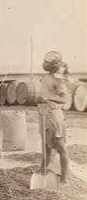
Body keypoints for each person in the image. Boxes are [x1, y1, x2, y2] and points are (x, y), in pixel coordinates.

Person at [37, 51, 71, 186]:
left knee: (60, 146)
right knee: (46, 145)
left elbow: (64, 99)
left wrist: (47, 98)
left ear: (53, 65)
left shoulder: (58, 79)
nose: (44, 64)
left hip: (54, 116)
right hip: (44, 115)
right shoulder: (47, 77)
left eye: (47, 63)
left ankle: (64, 179)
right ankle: (43, 169)